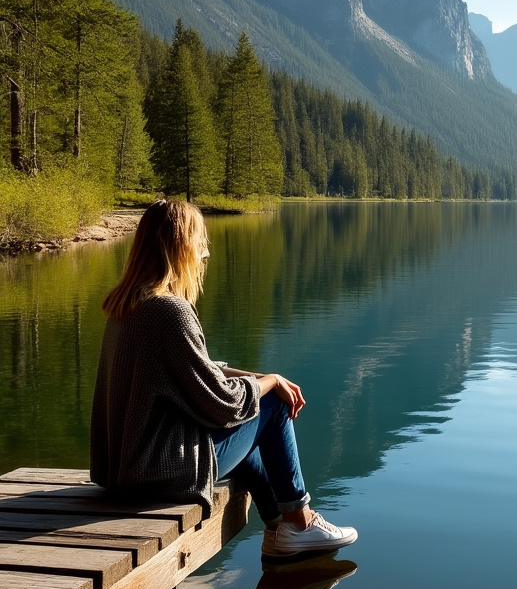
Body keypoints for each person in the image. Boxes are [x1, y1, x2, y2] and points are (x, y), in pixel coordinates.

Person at [90, 199, 356, 557]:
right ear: (181, 246)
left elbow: (192, 370)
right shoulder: (170, 311)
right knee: (271, 406)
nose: (206, 253)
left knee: (255, 416)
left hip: (125, 471)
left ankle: (282, 528)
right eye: (200, 242)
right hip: (158, 476)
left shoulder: (127, 304)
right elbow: (223, 405)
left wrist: (258, 375)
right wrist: (271, 384)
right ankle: (299, 523)